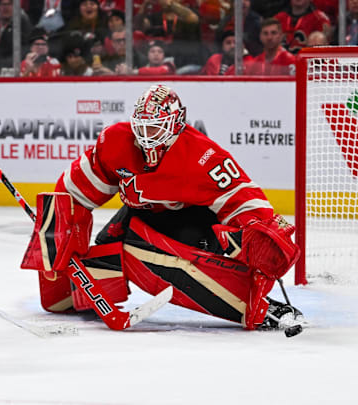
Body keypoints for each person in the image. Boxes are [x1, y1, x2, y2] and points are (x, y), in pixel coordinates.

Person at [21, 84, 305, 333]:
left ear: (177, 124)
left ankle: (255, 305)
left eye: (156, 127)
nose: (147, 136)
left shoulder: (202, 157)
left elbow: (244, 197)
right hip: (149, 216)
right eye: (142, 127)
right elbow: (73, 192)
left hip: (198, 230)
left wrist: (259, 234)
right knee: (100, 254)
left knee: (138, 252)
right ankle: (86, 297)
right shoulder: (117, 143)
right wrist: (58, 232)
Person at [0, 0, 33, 71]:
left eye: (9, 4)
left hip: (13, 68)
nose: (6, 8)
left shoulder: (22, 24)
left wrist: (1, 66)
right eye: (2, 4)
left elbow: (24, 50)